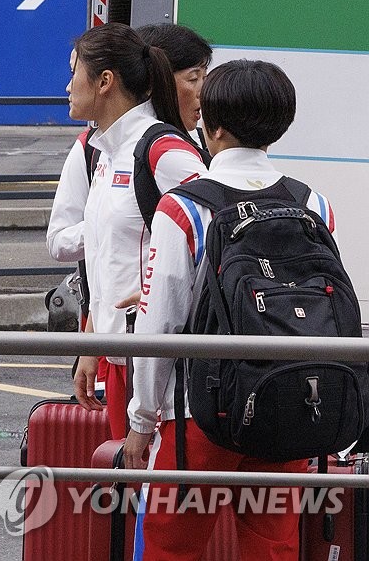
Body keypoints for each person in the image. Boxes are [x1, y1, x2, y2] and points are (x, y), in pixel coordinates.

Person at [123, 60, 325, 560]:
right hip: (287, 407)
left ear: (209, 126)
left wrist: (142, 420)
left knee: (171, 549)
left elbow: (159, 325)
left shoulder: (184, 208)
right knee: (272, 549)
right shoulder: (312, 204)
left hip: (197, 417)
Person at [49, 22, 212, 438]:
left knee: (154, 492)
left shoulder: (163, 149)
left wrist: (166, 290)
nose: (67, 85)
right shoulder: (102, 149)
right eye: (194, 77)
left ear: (105, 82)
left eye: (74, 72)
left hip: (158, 357)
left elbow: (219, 230)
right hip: (122, 354)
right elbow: (105, 255)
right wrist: (92, 341)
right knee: (131, 490)